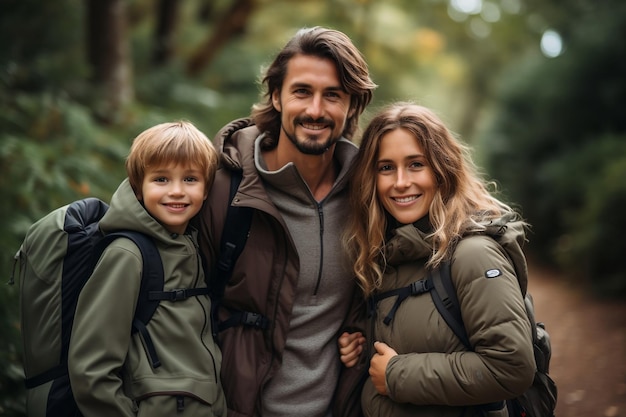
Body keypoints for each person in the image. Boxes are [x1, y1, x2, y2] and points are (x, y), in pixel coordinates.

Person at [197, 26, 377, 417]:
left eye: (333, 95)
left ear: (352, 106)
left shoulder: (370, 197)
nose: (316, 110)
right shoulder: (222, 187)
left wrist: (362, 331)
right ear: (276, 96)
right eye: (302, 91)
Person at [339, 102, 536, 417]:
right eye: (386, 167)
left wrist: (396, 375)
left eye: (416, 164)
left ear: (442, 168)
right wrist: (362, 343)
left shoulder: (472, 254)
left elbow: (511, 366)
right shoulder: (389, 255)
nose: (400, 181)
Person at [68, 121, 226, 417]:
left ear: (206, 189)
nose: (177, 191)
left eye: (190, 179)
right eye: (161, 179)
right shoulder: (127, 255)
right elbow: (92, 371)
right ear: (138, 187)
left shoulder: (193, 247)